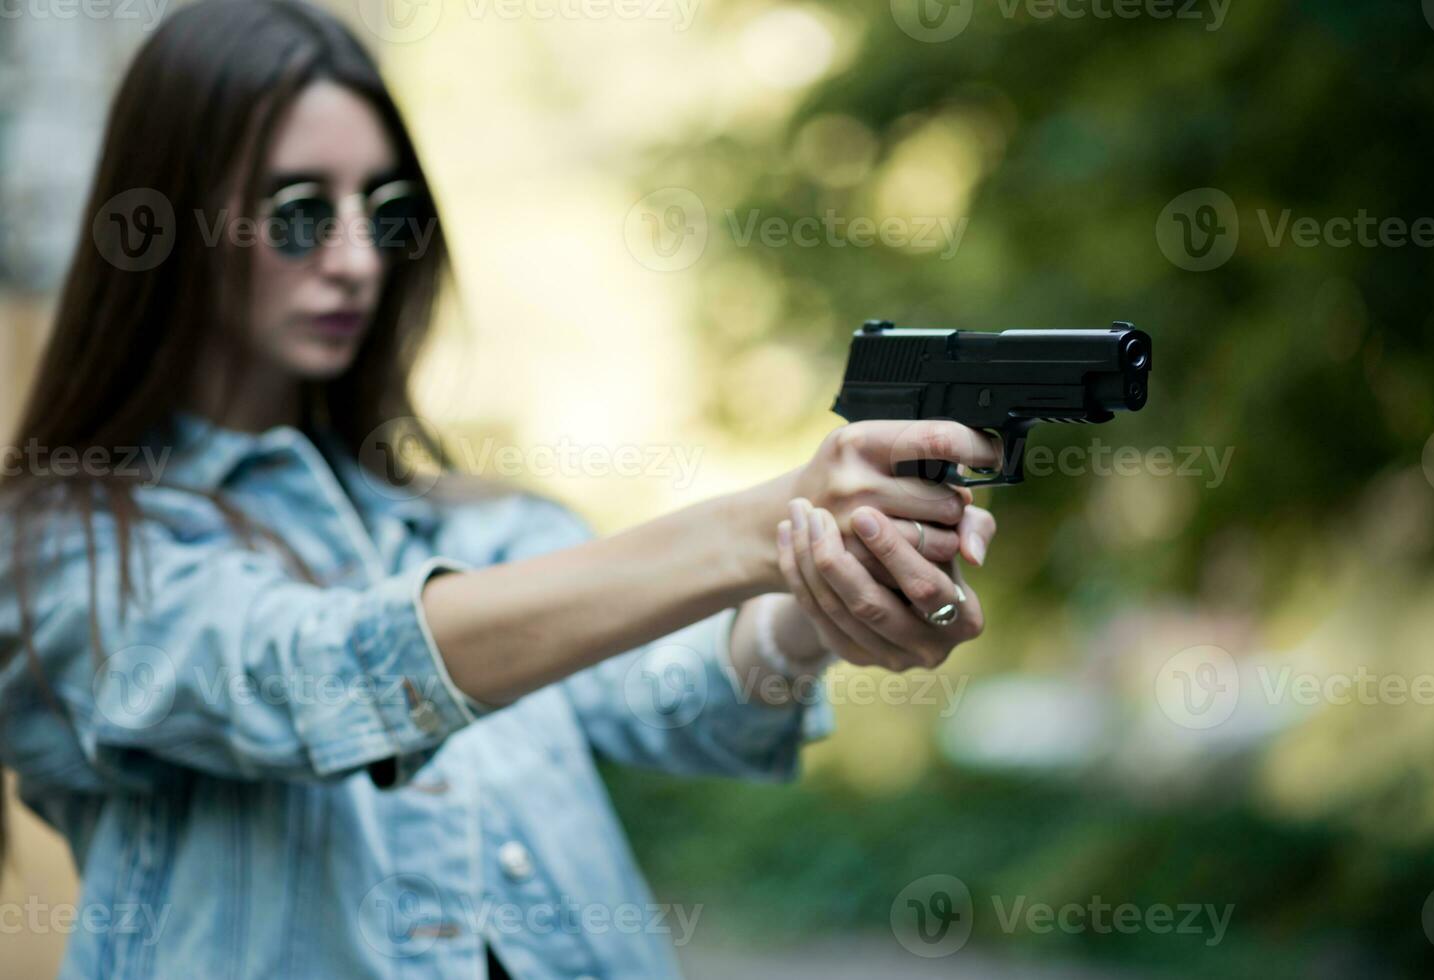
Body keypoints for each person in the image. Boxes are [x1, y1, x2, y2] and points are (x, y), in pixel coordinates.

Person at [0, 1, 997, 976]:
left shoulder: (477, 525)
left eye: (383, 214)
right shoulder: (64, 554)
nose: (355, 261)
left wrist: (815, 594)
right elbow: (318, 679)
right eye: (298, 213)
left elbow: (675, 700)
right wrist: (752, 528)